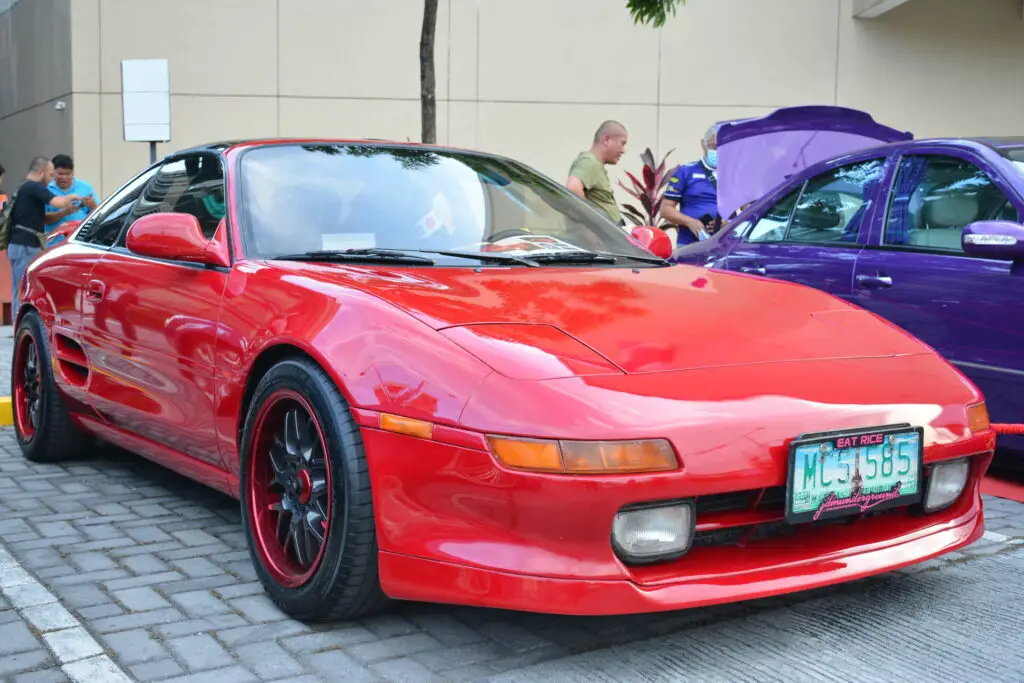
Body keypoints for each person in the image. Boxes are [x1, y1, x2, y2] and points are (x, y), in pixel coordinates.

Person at [7, 157, 81, 313]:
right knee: (24, 290)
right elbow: (58, 202)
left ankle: (19, 326)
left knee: (19, 288)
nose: (51, 179)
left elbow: (44, 218)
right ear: (40, 173)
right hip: (26, 246)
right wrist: (75, 197)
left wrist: (65, 212)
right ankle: (21, 328)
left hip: (18, 244)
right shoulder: (35, 187)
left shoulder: (23, 187)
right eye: (50, 175)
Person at [660, 123, 722, 246]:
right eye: (714, 147)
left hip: (724, 245)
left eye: (722, 148)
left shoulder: (734, 175)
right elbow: (666, 209)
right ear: (703, 144)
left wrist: (727, 224)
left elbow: (748, 210)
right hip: (689, 244)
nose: (718, 151)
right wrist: (691, 222)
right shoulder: (686, 171)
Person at [566, 120, 628, 225]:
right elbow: (573, 188)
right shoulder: (589, 162)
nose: (623, 150)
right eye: (622, 143)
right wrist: (591, 229)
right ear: (607, 140)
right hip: (594, 238)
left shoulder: (595, 164)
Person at [45, 154, 98, 231]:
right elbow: (43, 219)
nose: (64, 177)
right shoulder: (46, 189)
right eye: (60, 174)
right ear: (53, 173)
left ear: (73, 172)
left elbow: (99, 215)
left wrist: (92, 205)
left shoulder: (86, 188)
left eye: (68, 174)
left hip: (79, 239)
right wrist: (65, 212)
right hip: (55, 241)